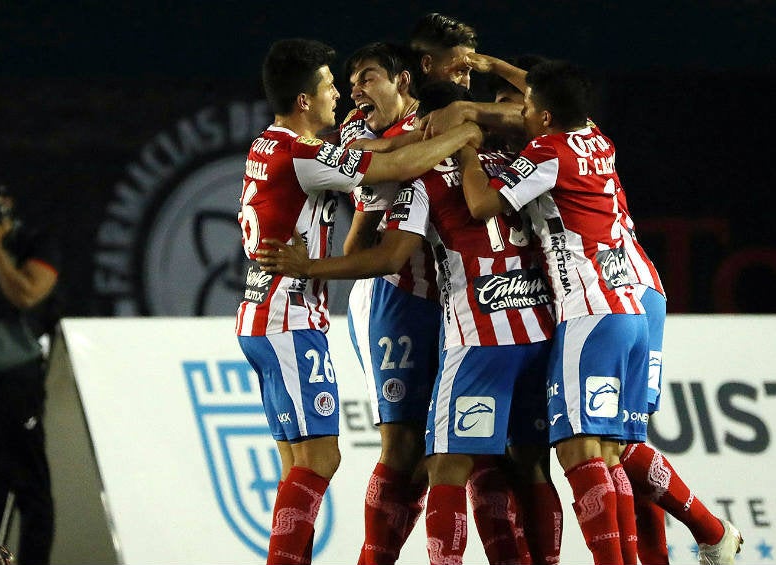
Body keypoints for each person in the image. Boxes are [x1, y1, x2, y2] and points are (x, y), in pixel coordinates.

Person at [255, 80, 562, 565]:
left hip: (471, 326)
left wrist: (312, 267)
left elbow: (386, 247)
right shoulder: (528, 162)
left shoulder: (427, 173)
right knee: (490, 458)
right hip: (512, 322)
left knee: (451, 460)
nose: (349, 90)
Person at [457, 60, 745, 564]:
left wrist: (462, 138)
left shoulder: (545, 151)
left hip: (595, 305)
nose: (513, 116)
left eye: (520, 108)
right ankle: (704, 535)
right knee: (622, 444)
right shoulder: (594, 135)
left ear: (541, 114)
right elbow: (549, 93)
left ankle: (691, 537)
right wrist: (489, 64)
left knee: (586, 448)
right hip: (642, 293)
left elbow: (482, 207)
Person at [237, 38, 482, 565]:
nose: (338, 96)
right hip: (291, 314)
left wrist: (426, 129)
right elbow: (394, 169)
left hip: (262, 315)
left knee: (299, 463)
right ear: (304, 99)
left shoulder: (271, 144)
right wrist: (463, 133)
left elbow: (384, 152)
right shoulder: (303, 154)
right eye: (329, 86)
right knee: (321, 460)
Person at [337, 42, 440, 565]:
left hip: (455, 305)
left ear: (403, 81)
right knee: (401, 447)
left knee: (448, 452)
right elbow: (358, 245)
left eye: (367, 77)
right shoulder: (361, 134)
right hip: (393, 296)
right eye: (350, 81)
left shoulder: (436, 122)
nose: (355, 91)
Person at [0, 176, 59, 565]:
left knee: (30, 488)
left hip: (16, 379)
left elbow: (26, 293)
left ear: (6, 202)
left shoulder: (32, 242)